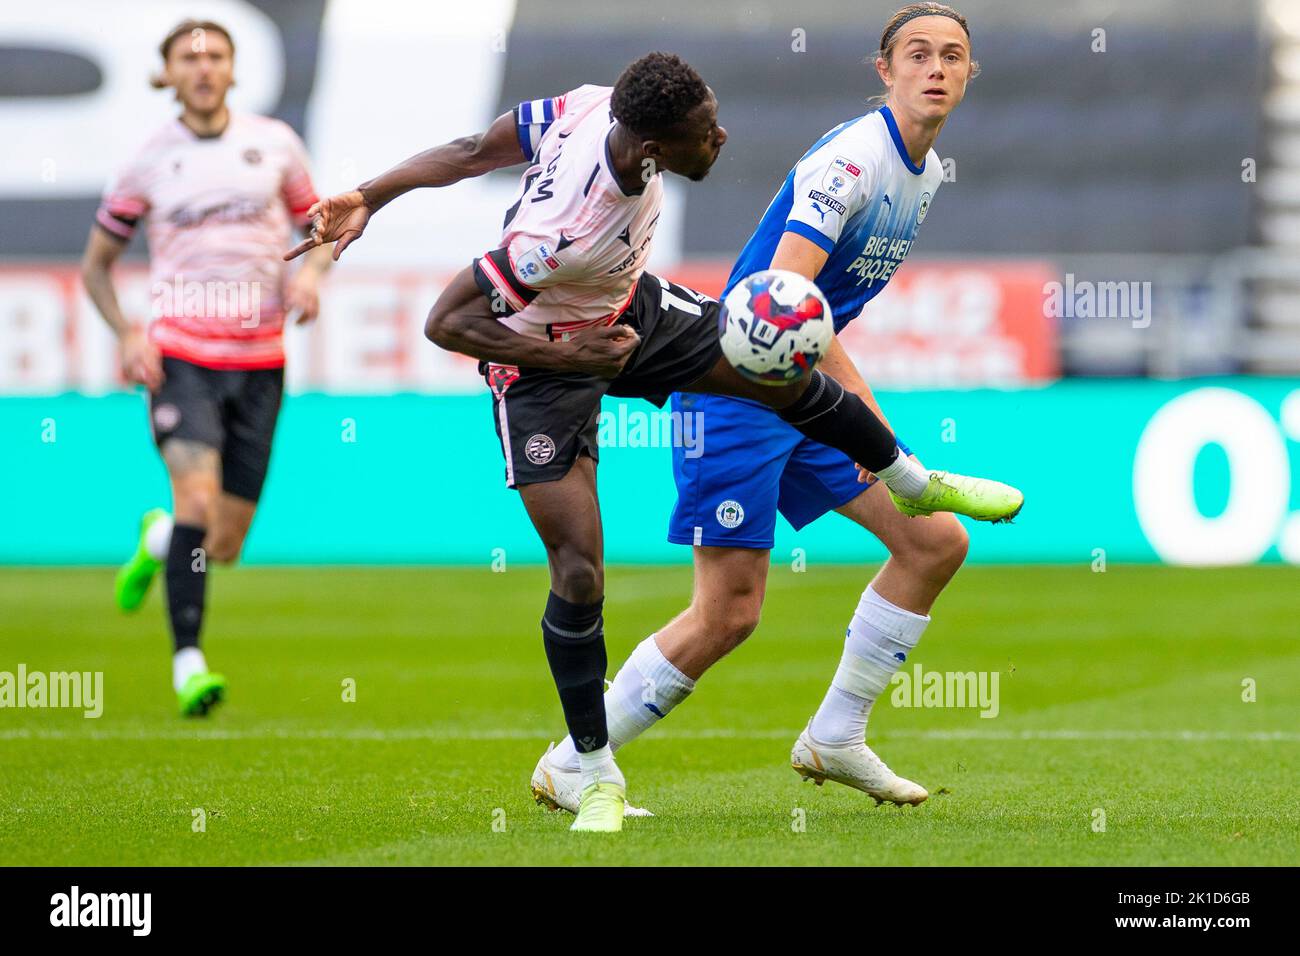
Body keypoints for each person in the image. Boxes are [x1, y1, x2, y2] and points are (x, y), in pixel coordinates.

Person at [289, 50, 1020, 831]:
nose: (722, 137)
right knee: (579, 569)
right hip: (539, 367)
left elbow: (474, 151)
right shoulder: (561, 235)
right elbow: (449, 323)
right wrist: (563, 356)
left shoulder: (594, 103)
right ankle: (587, 769)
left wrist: (368, 195)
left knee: (774, 367)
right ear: (652, 150)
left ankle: (910, 481)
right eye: (705, 132)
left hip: (630, 311)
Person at [533, 3, 988, 814]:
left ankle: (836, 736)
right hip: (740, 388)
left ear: (969, 74)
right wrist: (872, 431)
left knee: (932, 543)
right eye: (917, 54)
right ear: (884, 71)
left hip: (796, 391)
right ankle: (575, 759)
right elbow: (784, 306)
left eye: (953, 55)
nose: (936, 68)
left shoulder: (924, 171)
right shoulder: (853, 163)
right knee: (729, 612)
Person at [81, 19, 332, 716]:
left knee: (218, 542)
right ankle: (189, 665)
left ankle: (158, 538)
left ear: (232, 69)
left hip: (260, 361)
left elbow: (323, 228)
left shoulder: (274, 145)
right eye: (188, 58)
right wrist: (130, 331)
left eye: (215, 56)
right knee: (196, 498)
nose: (203, 68)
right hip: (181, 356)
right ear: (168, 74)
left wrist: (311, 276)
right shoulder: (146, 160)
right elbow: (96, 266)